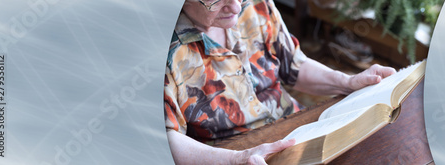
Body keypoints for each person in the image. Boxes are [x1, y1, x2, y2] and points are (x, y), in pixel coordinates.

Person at [164, 0, 396, 164]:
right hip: (234, 153)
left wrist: (348, 81)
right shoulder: (163, 50)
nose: (236, 6)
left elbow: (293, 65)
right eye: (214, 0)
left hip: (298, 129)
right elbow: (166, 137)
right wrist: (237, 159)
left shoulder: (255, 5)